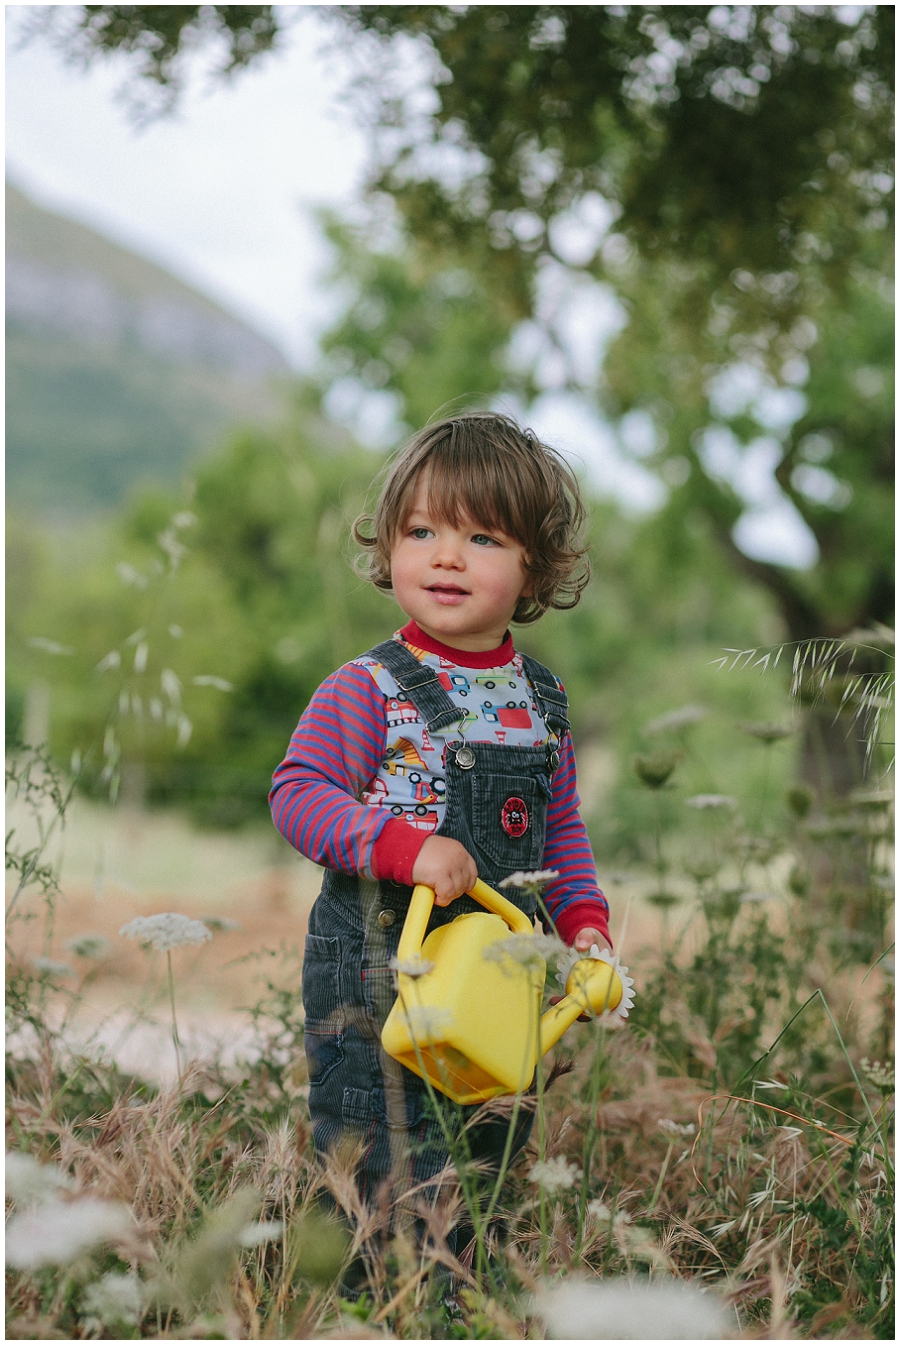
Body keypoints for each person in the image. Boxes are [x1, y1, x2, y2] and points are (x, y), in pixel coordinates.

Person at [270, 412, 611, 1291]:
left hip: (502, 960)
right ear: (388, 547)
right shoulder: (369, 687)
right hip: (384, 955)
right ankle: (365, 1298)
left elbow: (561, 829)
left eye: (482, 535)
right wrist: (400, 845)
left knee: (490, 1135)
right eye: (422, 530)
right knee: (379, 1142)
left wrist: (584, 927)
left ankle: (458, 1293)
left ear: (535, 564)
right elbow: (299, 794)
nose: (446, 556)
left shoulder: (543, 699)